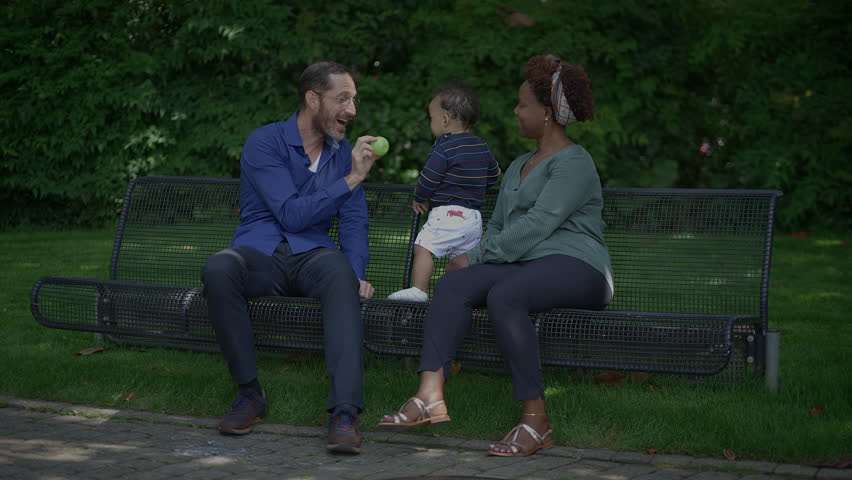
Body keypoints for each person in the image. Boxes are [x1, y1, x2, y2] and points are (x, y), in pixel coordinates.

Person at [377, 55, 614, 457]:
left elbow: (539, 224)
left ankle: (536, 421)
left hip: (579, 267)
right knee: (453, 283)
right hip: (523, 266)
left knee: (506, 295)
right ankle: (429, 394)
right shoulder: (519, 164)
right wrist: (478, 259)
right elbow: (501, 226)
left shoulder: (575, 162)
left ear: (547, 114)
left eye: (523, 106)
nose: (515, 112)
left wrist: (479, 253)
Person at [202, 61, 381, 454]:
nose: (351, 111)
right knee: (219, 268)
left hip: (312, 257)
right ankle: (249, 394)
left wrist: (356, 271)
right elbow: (290, 214)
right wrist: (352, 178)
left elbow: (353, 222)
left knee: (340, 273)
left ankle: (345, 412)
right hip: (260, 253)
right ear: (312, 99)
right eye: (342, 99)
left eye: (354, 100)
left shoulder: (340, 156)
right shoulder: (264, 142)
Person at [388, 82, 500, 302]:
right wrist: (476, 187)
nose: (431, 122)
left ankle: (419, 290)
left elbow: (430, 176)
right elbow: (494, 174)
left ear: (445, 119)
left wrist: (420, 197)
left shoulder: (444, 146)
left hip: (447, 213)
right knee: (461, 260)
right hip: (473, 219)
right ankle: (453, 294)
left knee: (423, 247)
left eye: (432, 118)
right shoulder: (481, 146)